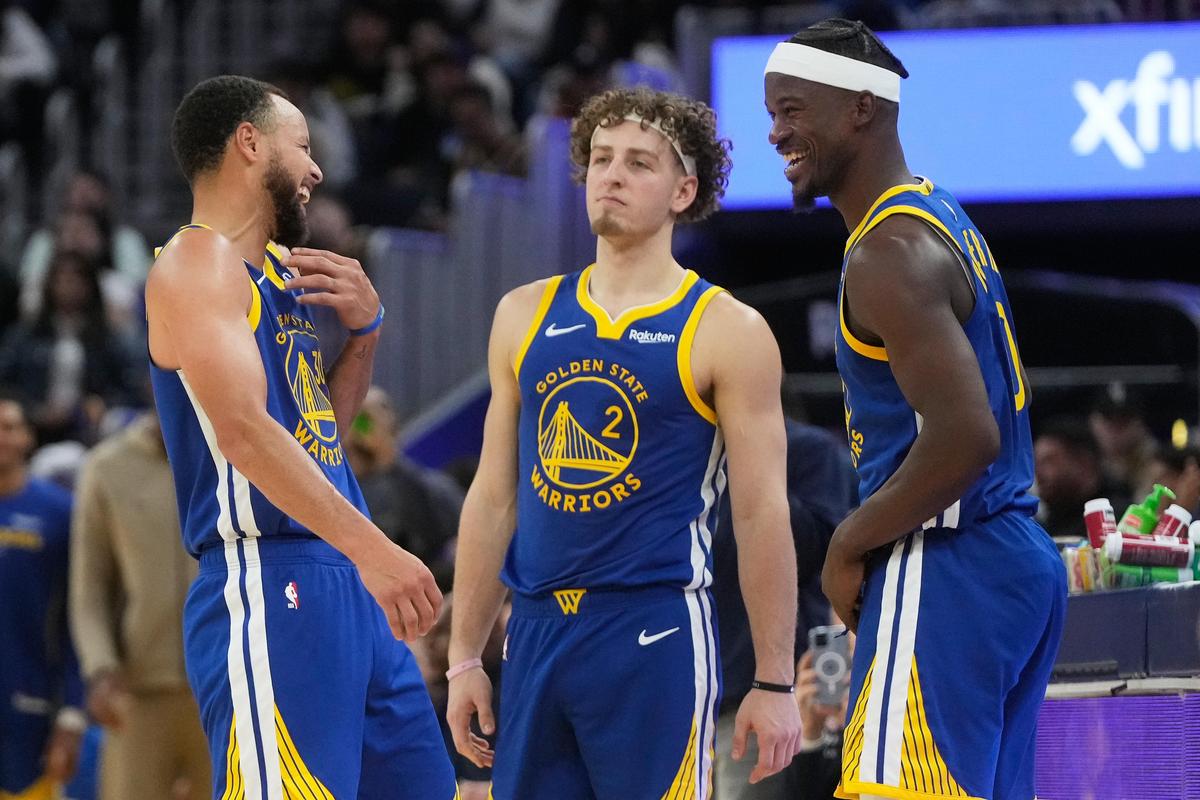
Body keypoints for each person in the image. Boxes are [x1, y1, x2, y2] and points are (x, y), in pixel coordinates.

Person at [446, 86, 803, 799]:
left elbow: (762, 512)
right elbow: (492, 496)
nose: (611, 174)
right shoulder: (523, 313)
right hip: (538, 628)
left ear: (684, 190)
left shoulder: (728, 328)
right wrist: (463, 658)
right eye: (601, 158)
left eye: (639, 163)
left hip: (654, 629)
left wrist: (774, 678)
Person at [763, 19, 1066, 800]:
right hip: (1010, 561)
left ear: (862, 108)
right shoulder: (937, 214)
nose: (776, 132)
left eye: (794, 109)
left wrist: (847, 545)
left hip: (945, 562)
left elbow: (965, 436)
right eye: (773, 113)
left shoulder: (886, 251)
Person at [144, 75, 455, 798]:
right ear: (249, 143)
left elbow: (314, 446)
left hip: (341, 576)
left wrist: (364, 338)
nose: (317, 169)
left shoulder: (278, 280)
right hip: (268, 580)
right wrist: (375, 549)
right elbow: (246, 438)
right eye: (304, 145)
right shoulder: (197, 262)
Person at [68, 411, 210, 799]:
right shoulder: (106, 467)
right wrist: (99, 667)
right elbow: (89, 587)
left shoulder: (231, 454)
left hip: (224, 683)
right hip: (137, 689)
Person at [712, 413, 853, 800]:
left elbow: (825, 555)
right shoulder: (674, 448)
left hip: (759, 694)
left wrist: (754, 466)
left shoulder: (809, 450)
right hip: (677, 697)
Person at [0, 391, 86, 800]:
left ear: (28, 438)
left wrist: (71, 715)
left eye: (9, 427)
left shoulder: (60, 512)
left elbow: (76, 617)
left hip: (30, 699)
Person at [1033, 417, 1128, 547]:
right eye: (1037, 463)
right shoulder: (1041, 527)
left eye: (1049, 461)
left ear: (1083, 463)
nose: (1039, 473)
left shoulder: (1120, 520)